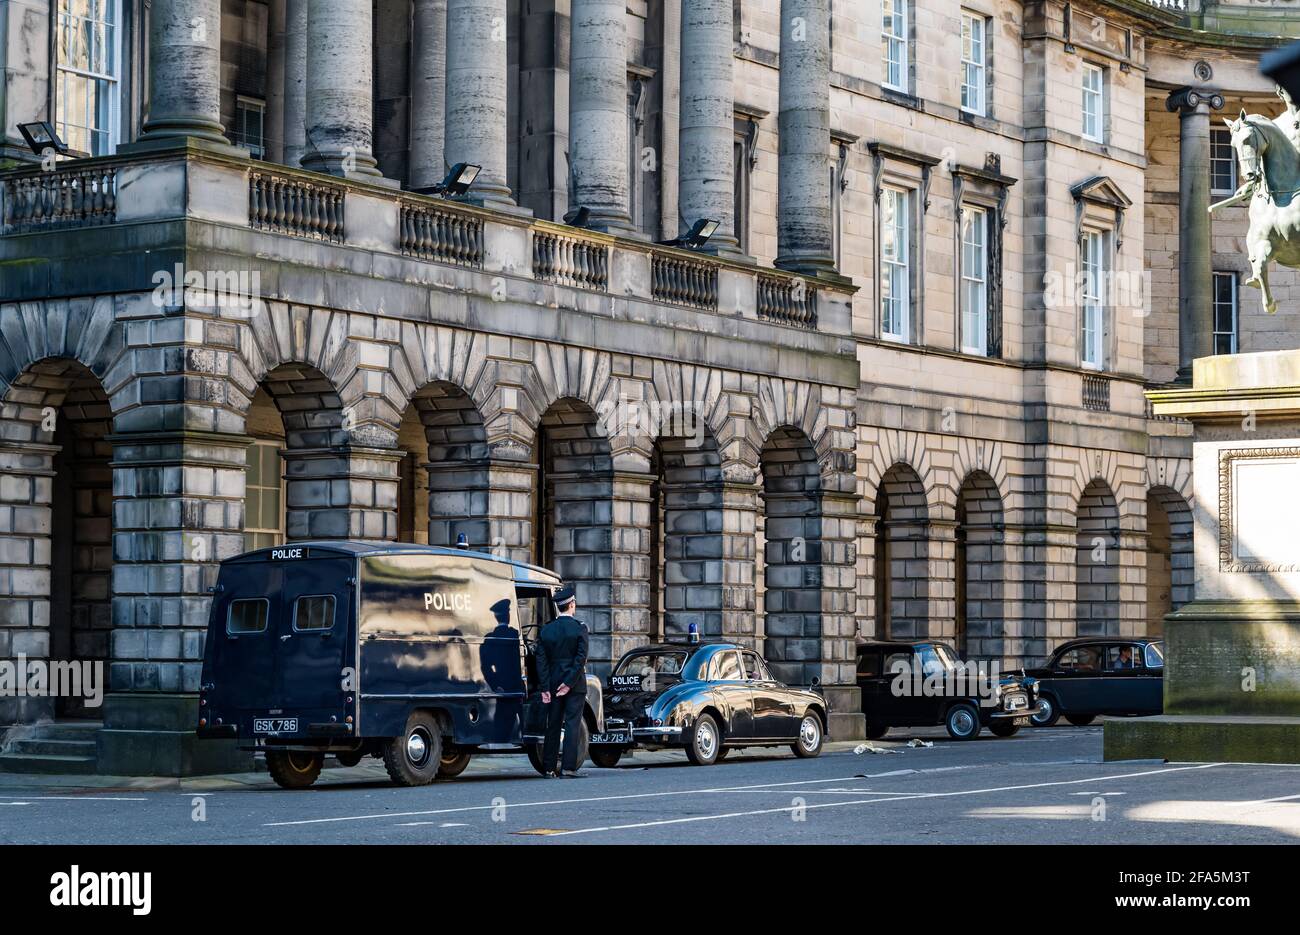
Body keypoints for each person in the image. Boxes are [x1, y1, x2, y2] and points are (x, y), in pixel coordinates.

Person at [535, 583, 588, 778]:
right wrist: (568, 683)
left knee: (553, 724)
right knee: (572, 724)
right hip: (573, 685)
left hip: (552, 683)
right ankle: (568, 767)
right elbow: (580, 659)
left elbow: (541, 661)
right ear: (572, 604)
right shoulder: (579, 629)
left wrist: (545, 687)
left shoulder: (547, 630)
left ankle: (548, 768)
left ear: (559, 606)